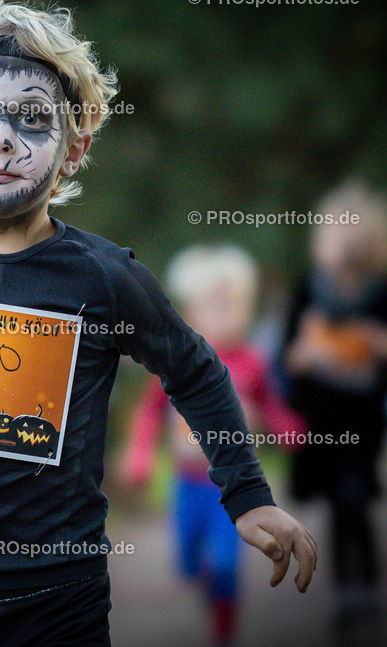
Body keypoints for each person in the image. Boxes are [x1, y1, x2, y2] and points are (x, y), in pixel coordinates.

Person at [0, 0, 317, 646]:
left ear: (75, 148)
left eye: (31, 118)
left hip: (61, 596)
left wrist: (247, 495)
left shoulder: (103, 277)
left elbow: (196, 371)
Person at [121, 245, 306, 645]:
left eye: (234, 304)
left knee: (224, 563)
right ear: (189, 311)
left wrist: (287, 428)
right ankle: (208, 586)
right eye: (214, 304)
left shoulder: (252, 361)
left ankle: (224, 628)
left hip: (232, 486)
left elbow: (269, 403)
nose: (225, 313)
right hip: (187, 484)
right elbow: (149, 412)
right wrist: (139, 455)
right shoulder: (177, 360)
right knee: (188, 564)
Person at [277, 180, 387, 641]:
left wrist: (371, 339)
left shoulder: (380, 292)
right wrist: (311, 348)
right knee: (336, 501)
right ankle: (345, 591)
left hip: (363, 418)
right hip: (320, 419)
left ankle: (364, 586)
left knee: (355, 498)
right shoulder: (309, 291)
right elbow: (289, 357)